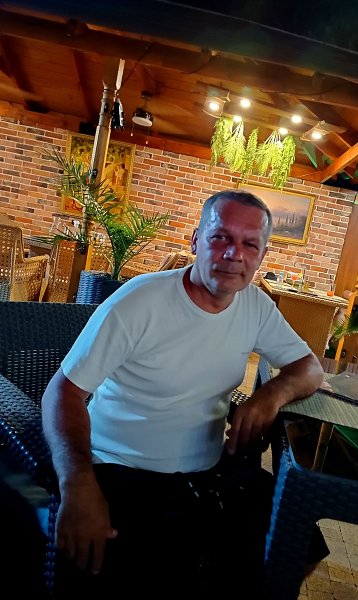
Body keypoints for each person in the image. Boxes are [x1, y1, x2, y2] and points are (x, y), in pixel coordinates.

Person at [41, 190, 328, 599]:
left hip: (208, 472)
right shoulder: (140, 301)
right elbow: (63, 392)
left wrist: (271, 395)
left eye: (250, 244)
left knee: (301, 542)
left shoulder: (256, 306)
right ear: (195, 241)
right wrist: (78, 483)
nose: (234, 254)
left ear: (262, 256)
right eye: (220, 237)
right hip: (121, 469)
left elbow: (310, 368)